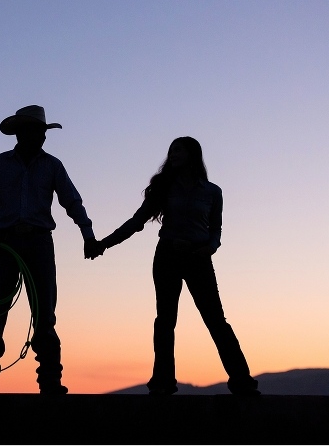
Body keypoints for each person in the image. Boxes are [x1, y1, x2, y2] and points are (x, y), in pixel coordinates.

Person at [86, 137, 260, 396]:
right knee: (165, 320)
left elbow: (216, 229)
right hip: (168, 256)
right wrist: (104, 244)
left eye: (178, 149)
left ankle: (242, 382)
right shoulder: (164, 188)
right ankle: (162, 382)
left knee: (216, 320)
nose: (172, 154)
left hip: (199, 258)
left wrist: (211, 247)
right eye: (171, 150)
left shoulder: (213, 192)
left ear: (193, 154)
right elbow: (136, 221)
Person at [0, 105, 98, 394]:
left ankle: (48, 381)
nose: (41, 137)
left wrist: (87, 234)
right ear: (21, 133)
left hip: (37, 242)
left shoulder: (52, 166)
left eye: (42, 132)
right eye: (36, 131)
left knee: (43, 312)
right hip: (5, 243)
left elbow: (72, 201)